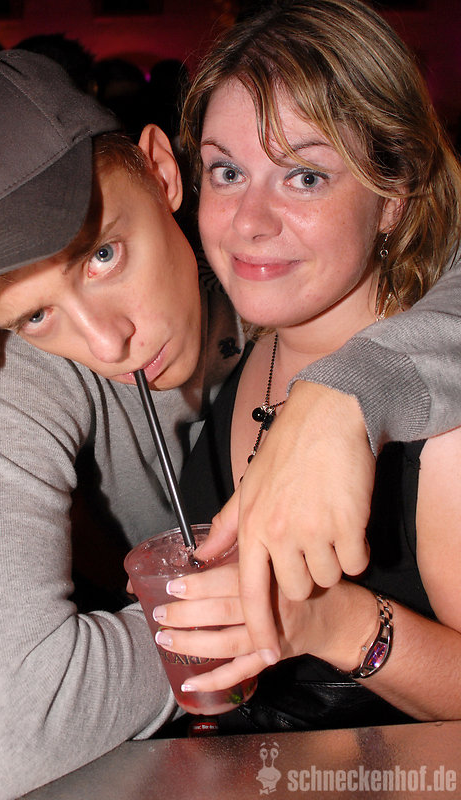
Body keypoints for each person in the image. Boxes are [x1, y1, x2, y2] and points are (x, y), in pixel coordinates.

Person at [0, 31, 461, 800]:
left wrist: (354, 390)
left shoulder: (270, 260)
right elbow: (3, 726)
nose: (107, 343)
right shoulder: (8, 364)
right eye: (36, 315)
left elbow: (433, 240)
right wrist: (238, 611)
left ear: (160, 170)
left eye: (103, 255)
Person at [151, 0, 461, 732]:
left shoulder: (441, 422)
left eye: (305, 178)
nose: (249, 220)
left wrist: (332, 623)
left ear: (391, 198)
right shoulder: (239, 349)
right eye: (227, 171)